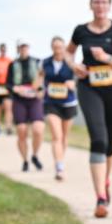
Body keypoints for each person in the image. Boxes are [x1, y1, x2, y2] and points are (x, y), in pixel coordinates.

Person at [66, 0, 112, 218]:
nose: (100, 6)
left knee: (110, 143)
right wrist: (74, 66)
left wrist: (106, 58)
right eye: (96, 2)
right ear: (90, 5)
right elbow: (68, 54)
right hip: (89, 89)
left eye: (104, 2)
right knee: (98, 138)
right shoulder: (81, 30)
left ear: (110, 5)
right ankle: (100, 197)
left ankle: (105, 180)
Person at [42, 36, 78, 181]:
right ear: (52, 48)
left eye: (60, 47)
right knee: (56, 136)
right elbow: (39, 78)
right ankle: (59, 167)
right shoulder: (45, 63)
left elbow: (80, 76)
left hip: (68, 102)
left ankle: (60, 159)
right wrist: (39, 88)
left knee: (64, 136)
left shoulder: (70, 62)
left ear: (64, 48)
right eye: (55, 47)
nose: (58, 50)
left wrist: (73, 83)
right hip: (51, 103)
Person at [7, 39, 45, 172]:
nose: (23, 49)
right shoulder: (13, 64)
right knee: (22, 131)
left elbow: (43, 79)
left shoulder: (37, 62)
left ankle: (34, 155)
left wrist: (40, 90)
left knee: (38, 129)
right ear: (18, 49)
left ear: (28, 48)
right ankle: (25, 160)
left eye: (25, 47)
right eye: (21, 47)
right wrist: (15, 89)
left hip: (34, 99)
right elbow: (8, 84)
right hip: (19, 100)